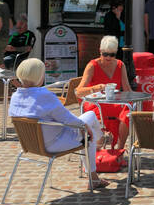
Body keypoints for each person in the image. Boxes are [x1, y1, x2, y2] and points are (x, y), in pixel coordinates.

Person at [8, 58, 110, 189]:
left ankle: (99, 140)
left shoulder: (16, 96)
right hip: (53, 143)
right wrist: (85, 127)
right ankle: (95, 169)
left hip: (31, 144)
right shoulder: (45, 95)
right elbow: (68, 119)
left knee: (89, 119)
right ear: (40, 76)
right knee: (88, 136)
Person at [75, 36, 133, 151]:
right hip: (95, 103)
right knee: (97, 112)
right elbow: (78, 91)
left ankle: (119, 150)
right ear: (100, 51)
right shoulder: (92, 65)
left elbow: (127, 89)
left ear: (116, 53)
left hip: (113, 102)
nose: (108, 58)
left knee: (128, 111)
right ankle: (98, 145)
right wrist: (96, 88)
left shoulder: (120, 65)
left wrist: (137, 100)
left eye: (112, 55)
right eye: (105, 54)